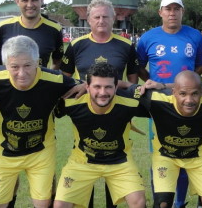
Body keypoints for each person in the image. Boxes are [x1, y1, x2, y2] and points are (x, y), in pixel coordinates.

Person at [0, 35, 84, 208]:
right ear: (5, 65)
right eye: (14, 67)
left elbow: (89, 85)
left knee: (43, 203)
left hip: (41, 151)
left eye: (27, 66)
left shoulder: (54, 79)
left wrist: (86, 84)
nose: (21, 73)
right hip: (4, 151)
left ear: (38, 62)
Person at [137, 0, 202, 208]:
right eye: (168, 9)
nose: (172, 13)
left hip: (188, 104)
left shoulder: (195, 36)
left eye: (177, 9)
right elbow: (138, 65)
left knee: (185, 151)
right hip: (160, 105)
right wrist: (151, 82)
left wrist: (186, 88)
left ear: (182, 12)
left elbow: (200, 66)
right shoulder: (148, 38)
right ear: (160, 12)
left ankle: (179, 201)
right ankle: (162, 198)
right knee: (161, 153)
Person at [54, 63, 147, 208]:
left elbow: (163, 99)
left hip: (120, 161)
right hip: (82, 161)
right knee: (60, 205)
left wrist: (159, 85)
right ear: (87, 87)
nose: (103, 92)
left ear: (116, 87)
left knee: (139, 202)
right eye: (97, 86)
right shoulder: (71, 101)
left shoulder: (131, 101)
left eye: (108, 87)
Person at [139, 71, 202, 208]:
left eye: (195, 94)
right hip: (165, 155)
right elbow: (123, 90)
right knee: (162, 203)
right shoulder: (155, 99)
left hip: (200, 155)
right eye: (183, 94)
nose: (189, 100)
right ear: (173, 92)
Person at [61, 0, 138, 84]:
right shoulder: (76, 45)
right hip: (84, 97)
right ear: (89, 20)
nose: (101, 21)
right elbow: (65, 78)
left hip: (116, 97)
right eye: (97, 17)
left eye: (105, 17)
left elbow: (133, 80)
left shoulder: (127, 45)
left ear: (113, 18)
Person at [0, 0, 64, 69]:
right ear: (17, 1)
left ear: (42, 0)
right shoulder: (3, 27)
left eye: (34, 0)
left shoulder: (55, 29)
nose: (30, 5)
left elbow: (57, 61)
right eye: (25, 0)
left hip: (41, 83)